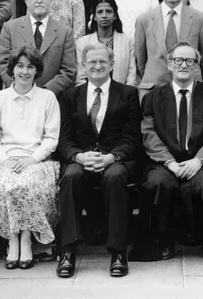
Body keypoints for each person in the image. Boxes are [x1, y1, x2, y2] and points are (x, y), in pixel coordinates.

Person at [140, 42, 203, 261]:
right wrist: (169, 162)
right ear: (170, 65)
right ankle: (164, 240)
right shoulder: (153, 97)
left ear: (197, 66)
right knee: (159, 183)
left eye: (190, 61)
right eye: (178, 60)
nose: (183, 64)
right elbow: (148, 134)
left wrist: (199, 160)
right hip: (164, 161)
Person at [56, 43, 142, 278]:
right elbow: (63, 139)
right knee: (71, 176)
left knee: (115, 177)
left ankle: (118, 252)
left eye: (103, 61)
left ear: (112, 65)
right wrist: (78, 156)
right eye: (92, 62)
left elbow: (132, 138)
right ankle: (68, 251)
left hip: (116, 158)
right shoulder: (70, 96)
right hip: (82, 157)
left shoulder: (128, 93)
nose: (97, 66)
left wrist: (111, 157)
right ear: (83, 65)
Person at [0, 46, 60, 270]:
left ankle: (26, 239)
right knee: (9, 184)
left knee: (26, 184)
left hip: (38, 161)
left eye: (30, 66)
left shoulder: (47, 97)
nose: (24, 71)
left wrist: (32, 159)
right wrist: (4, 161)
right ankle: (12, 239)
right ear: (12, 69)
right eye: (20, 66)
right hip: (5, 160)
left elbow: (51, 138)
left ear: (37, 70)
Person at [135, 0, 203, 97]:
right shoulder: (144, 20)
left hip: (190, 90)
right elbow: (141, 60)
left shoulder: (200, 19)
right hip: (154, 90)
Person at [0, 0, 76, 96]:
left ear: (51, 0)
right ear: (26, 1)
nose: (39, 1)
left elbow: (68, 70)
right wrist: (20, 88)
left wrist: (45, 93)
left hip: (51, 98)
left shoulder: (65, 32)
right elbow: (3, 64)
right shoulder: (10, 28)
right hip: (17, 97)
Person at [76, 0, 137, 86]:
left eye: (108, 11)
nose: (104, 15)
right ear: (95, 17)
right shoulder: (82, 43)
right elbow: (80, 78)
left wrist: (126, 95)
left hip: (122, 96)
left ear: (115, 15)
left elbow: (132, 75)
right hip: (91, 96)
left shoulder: (128, 41)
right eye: (100, 12)